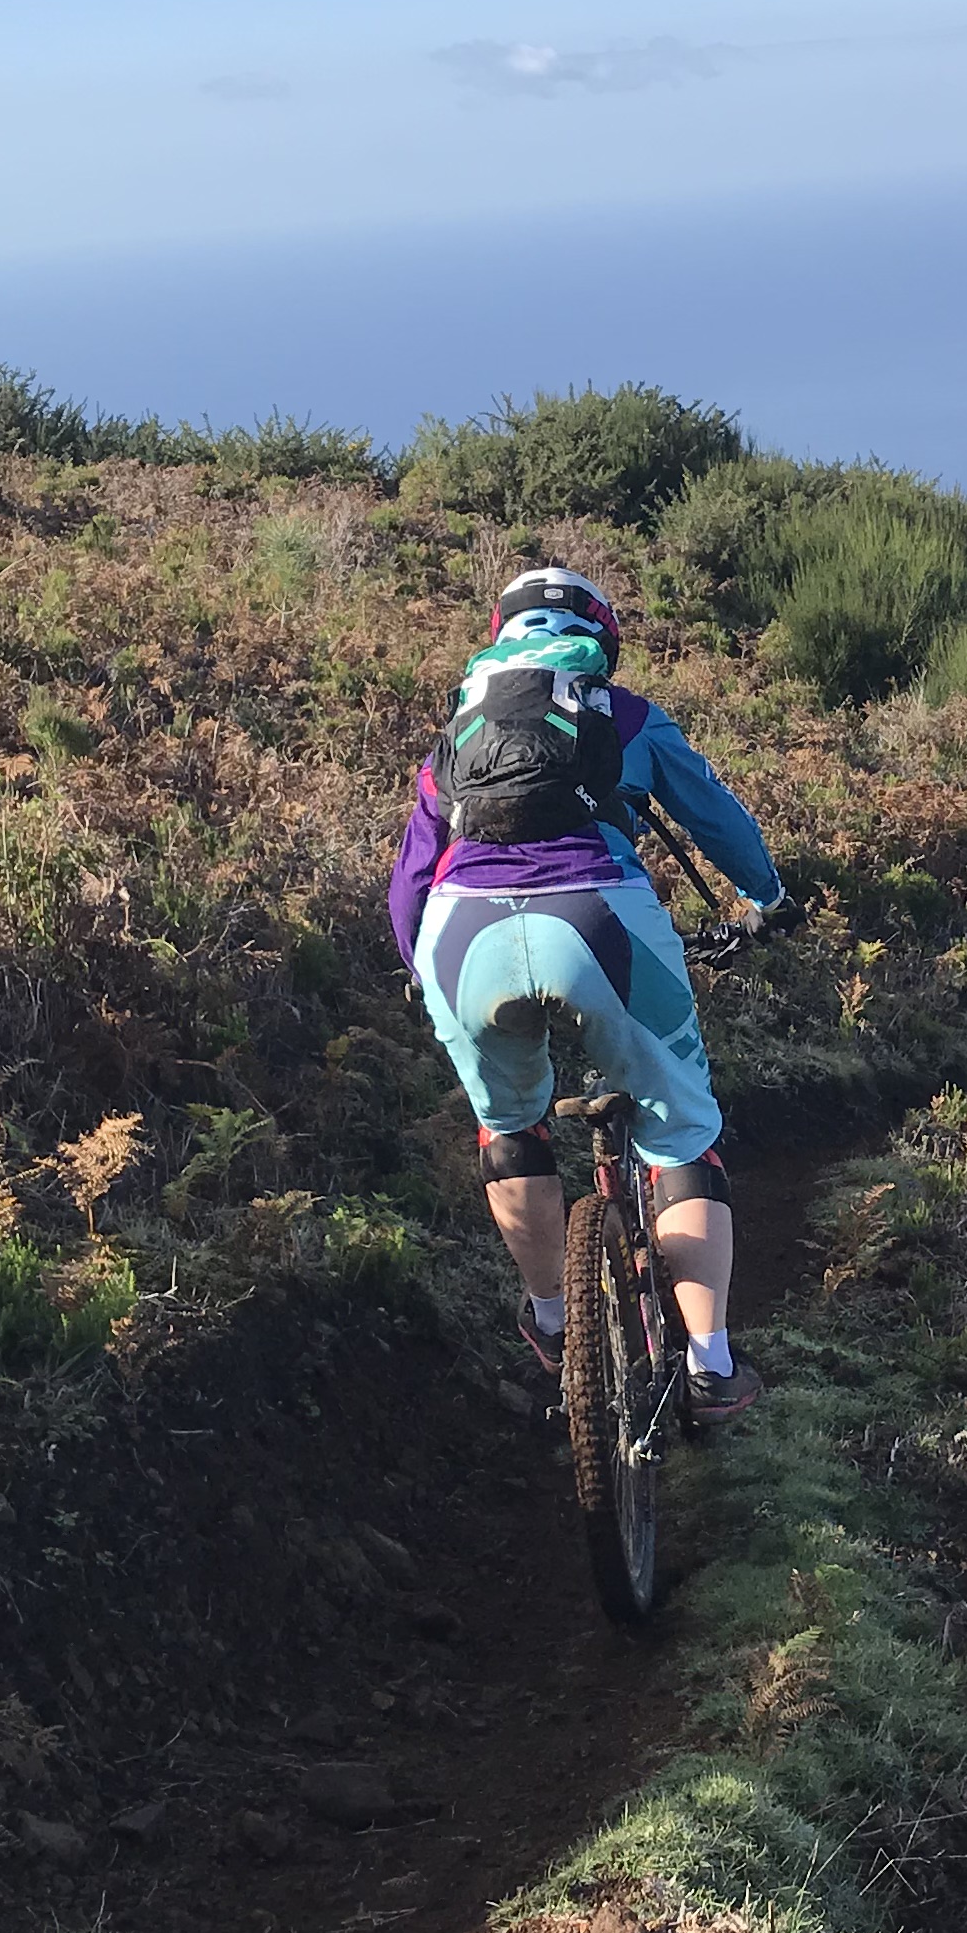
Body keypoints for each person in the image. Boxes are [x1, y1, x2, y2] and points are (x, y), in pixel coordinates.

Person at [387, 566, 788, 1417]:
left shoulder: (457, 734)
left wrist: (425, 976)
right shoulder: (626, 715)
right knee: (680, 1135)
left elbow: (410, 881)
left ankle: (552, 1321)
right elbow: (714, 817)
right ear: (601, 638)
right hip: (598, 918)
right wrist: (768, 899)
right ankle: (711, 1366)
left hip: (460, 936)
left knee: (508, 1128)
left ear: (500, 638)